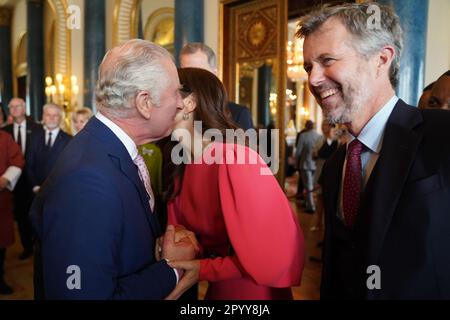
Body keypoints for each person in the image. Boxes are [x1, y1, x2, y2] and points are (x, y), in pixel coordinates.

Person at [298, 3, 450, 299]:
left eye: (327, 60)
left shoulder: (443, 134)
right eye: (308, 67)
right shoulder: (334, 166)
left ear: (381, 59)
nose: (313, 80)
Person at [29, 39, 198, 299]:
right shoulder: (87, 181)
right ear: (144, 102)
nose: (180, 103)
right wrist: (171, 270)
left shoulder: (108, 151)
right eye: (175, 92)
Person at [163, 67, 304, 300]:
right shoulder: (180, 166)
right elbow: (187, 240)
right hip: (219, 286)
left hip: (253, 289)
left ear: (189, 103)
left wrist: (204, 268)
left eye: (164, 93)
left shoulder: (236, 158)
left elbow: (271, 252)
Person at [2, 98, 43, 260]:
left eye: (17, 105)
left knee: (37, 212)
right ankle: (27, 245)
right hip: (13, 181)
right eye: (11, 106)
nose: (14, 108)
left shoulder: (37, 128)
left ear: (24, 108)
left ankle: (39, 242)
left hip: (33, 178)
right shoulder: (5, 130)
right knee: (20, 215)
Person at [179, 42, 254, 130]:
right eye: (186, 72)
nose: (191, 79)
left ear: (214, 73)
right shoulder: (174, 112)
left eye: (199, 72)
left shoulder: (238, 114)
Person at [27, 103, 71, 194]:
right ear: (43, 117)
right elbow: (29, 164)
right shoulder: (34, 137)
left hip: (58, 192)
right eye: (48, 115)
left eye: (55, 115)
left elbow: (68, 168)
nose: (51, 118)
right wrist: (35, 186)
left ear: (60, 118)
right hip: (35, 191)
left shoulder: (69, 140)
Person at [0, 130, 24, 294]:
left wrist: (5, 179)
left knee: (0, 243)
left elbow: (17, 160)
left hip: (1, 199)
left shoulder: (5, 138)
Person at [295, 120, 321, 213]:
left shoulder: (303, 136)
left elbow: (298, 151)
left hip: (305, 164)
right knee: (310, 186)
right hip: (315, 164)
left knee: (308, 186)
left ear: (306, 126)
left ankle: (311, 206)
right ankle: (307, 202)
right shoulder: (318, 136)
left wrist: (296, 162)